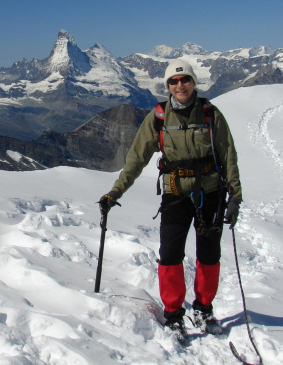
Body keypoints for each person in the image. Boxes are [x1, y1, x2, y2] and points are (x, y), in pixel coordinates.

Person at [98, 59, 242, 339]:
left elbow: (228, 155)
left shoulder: (211, 115)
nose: (180, 85)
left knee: (209, 256)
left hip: (211, 192)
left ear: (193, 83)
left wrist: (235, 196)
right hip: (175, 193)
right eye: (174, 82)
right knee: (170, 256)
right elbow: (136, 158)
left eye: (185, 80)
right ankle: (174, 313)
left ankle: (203, 308)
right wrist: (115, 192)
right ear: (167, 86)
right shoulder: (160, 117)